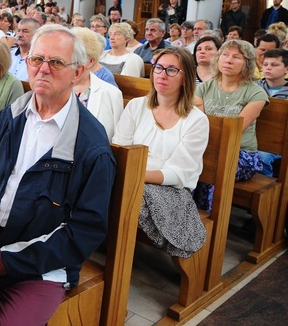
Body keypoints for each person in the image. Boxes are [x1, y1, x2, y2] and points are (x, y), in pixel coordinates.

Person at [0, 25, 116, 325]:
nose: (43, 69)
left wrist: (7, 262)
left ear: (77, 71)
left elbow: (84, 231)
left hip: (39, 266)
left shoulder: (92, 147)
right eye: (36, 59)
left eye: (56, 62)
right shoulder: (10, 116)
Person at [113, 47, 208, 257]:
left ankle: (118, 259)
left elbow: (178, 173)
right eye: (158, 68)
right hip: (131, 177)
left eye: (172, 70)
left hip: (171, 189)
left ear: (186, 79)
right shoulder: (136, 106)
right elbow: (120, 149)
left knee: (125, 195)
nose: (162, 75)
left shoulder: (196, 120)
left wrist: (134, 176)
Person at [194, 40, 269, 199]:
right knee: (183, 166)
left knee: (211, 168)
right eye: (225, 55)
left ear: (247, 63)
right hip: (206, 148)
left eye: (236, 57)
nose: (228, 60)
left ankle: (210, 220)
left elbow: (234, 130)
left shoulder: (256, 94)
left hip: (241, 153)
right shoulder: (204, 87)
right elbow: (196, 122)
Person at [73, 28, 124, 141]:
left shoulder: (111, 93)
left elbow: (115, 138)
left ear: (90, 61)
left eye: (75, 56)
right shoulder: (56, 87)